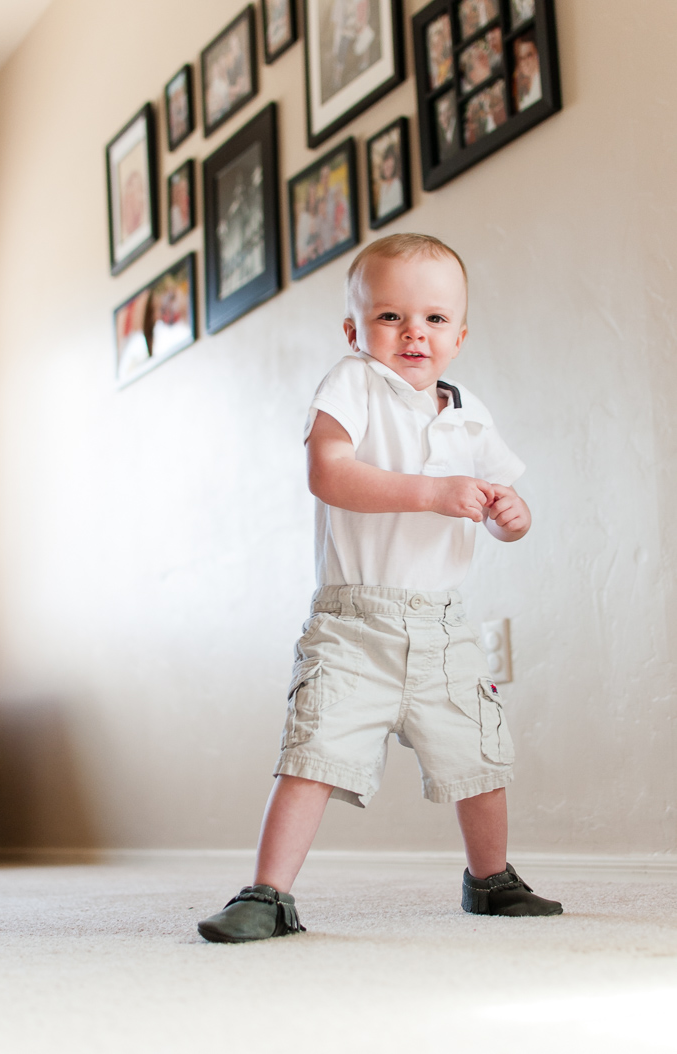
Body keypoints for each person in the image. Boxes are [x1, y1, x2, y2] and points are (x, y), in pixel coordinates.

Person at [197, 233, 562, 943]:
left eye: (432, 319)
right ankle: (268, 893)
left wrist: (512, 519)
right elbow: (328, 474)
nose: (413, 333)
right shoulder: (351, 383)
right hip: (353, 622)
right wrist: (430, 492)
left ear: (459, 334)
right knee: (312, 752)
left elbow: (499, 506)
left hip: (445, 626)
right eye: (390, 316)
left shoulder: (470, 413)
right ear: (354, 330)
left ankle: (491, 879)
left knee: (478, 757)